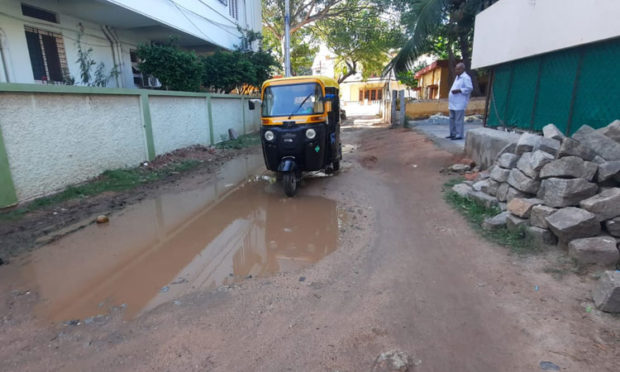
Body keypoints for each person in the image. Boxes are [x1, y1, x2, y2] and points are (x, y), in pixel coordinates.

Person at [447, 62, 473, 140]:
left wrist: (459, 90)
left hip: (460, 103)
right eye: (456, 69)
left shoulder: (466, 77)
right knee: (452, 119)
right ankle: (453, 133)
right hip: (453, 103)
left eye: (458, 69)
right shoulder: (457, 77)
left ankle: (459, 135)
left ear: (462, 69)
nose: (456, 71)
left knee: (458, 120)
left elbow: (469, 88)